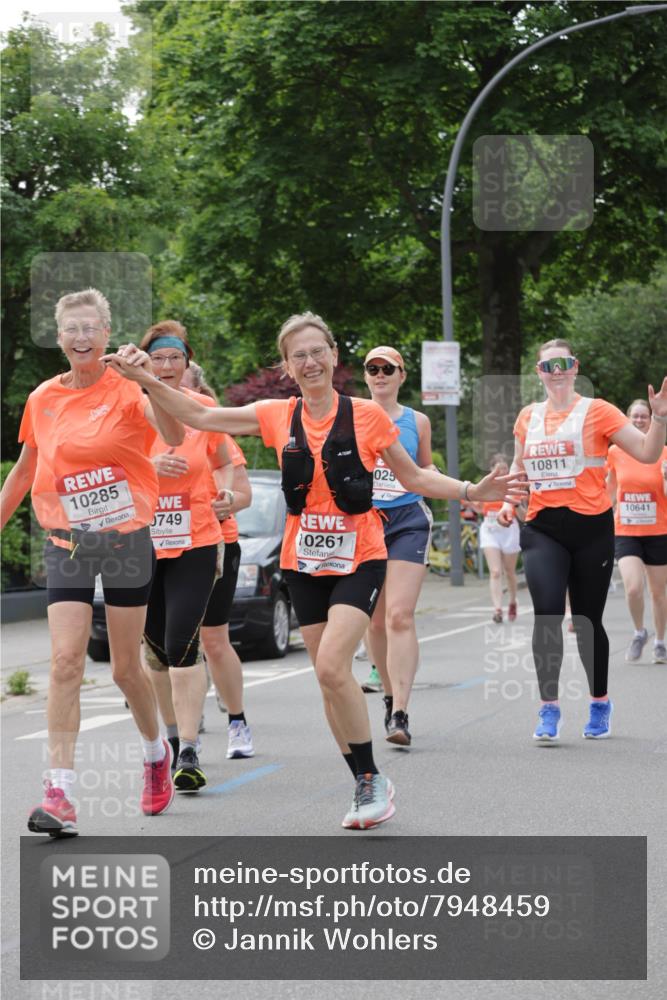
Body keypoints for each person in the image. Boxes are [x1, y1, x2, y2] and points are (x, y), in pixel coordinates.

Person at [103, 311, 526, 830]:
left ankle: (371, 780)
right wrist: (146, 378)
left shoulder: (368, 416)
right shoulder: (278, 414)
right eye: (298, 355)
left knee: (329, 665)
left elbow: (414, 476)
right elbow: (199, 417)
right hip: (302, 563)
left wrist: (469, 492)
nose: (309, 362)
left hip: (360, 555)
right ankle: (363, 781)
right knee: (330, 682)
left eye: (317, 351)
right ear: (287, 366)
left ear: (333, 357)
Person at [0, 289, 183, 836]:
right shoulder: (44, 398)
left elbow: (174, 433)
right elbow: (25, 470)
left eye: (90, 328)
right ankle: (60, 794)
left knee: (126, 667)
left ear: (106, 334)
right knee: (64, 663)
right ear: (59, 338)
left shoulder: (128, 389)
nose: (81, 337)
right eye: (70, 329)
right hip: (67, 542)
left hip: (126, 541)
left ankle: (155, 755)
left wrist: (148, 378)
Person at [497, 340, 667, 741]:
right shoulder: (527, 417)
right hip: (542, 530)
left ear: (575, 368)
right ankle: (549, 709)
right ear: (538, 371)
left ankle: (599, 701)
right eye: (548, 365)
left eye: (564, 363)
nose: (557, 371)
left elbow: (646, 453)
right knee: (548, 614)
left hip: (591, 529)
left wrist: (659, 418)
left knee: (588, 622)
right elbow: (520, 469)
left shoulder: (599, 411)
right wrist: (509, 503)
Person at [139, 323, 234, 792]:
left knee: (181, 641)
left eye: (176, 359)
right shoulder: (128, 409)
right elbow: (103, 468)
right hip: (139, 543)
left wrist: (230, 495)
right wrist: (147, 467)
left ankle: (191, 749)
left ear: (187, 364)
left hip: (196, 538)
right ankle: (173, 739)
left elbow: (225, 466)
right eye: (158, 358)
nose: (167, 367)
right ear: (144, 363)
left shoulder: (205, 411)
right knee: (155, 653)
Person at [181, 362, 255, 759]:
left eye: (182, 386)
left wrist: (225, 503)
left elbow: (243, 494)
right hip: (161, 548)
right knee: (163, 646)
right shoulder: (141, 428)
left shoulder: (212, 430)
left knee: (212, 639)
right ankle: (177, 735)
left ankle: (237, 721)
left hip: (214, 543)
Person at [363, 346, 435, 746]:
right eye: (372, 368)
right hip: (365, 524)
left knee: (399, 617)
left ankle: (402, 713)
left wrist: (432, 473)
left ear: (401, 375)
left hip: (407, 520)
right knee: (373, 622)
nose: (380, 374)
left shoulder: (417, 421)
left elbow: (423, 469)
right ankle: (389, 698)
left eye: (388, 368)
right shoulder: (353, 414)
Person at [607, 399, 667, 664]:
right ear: (628, 419)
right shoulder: (615, 452)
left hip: (658, 530)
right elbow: (608, 490)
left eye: (644, 416)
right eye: (636, 416)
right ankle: (639, 632)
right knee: (632, 588)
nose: (640, 420)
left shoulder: (664, 452)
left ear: (651, 420)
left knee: (657, 592)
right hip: (626, 530)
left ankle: (660, 642)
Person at [470, 453, 521, 624]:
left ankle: (513, 601)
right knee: (495, 572)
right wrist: (468, 502)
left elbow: (523, 515)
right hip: (490, 529)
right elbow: (478, 509)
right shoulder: (486, 486)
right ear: (491, 470)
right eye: (498, 469)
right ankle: (497, 609)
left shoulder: (513, 487)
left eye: (505, 469)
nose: (502, 472)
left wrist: (518, 504)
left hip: (509, 529)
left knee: (509, 572)